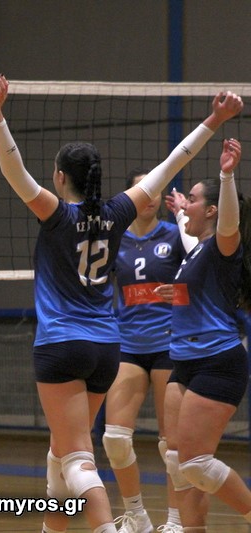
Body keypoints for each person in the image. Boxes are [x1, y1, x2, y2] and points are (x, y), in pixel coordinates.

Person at [0, 74, 242, 533]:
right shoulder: (119, 211)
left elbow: (12, 171)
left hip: (62, 344)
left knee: (78, 459)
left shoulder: (56, 214)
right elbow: (174, 160)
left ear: (60, 177)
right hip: (107, 348)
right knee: (61, 451)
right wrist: (214, 120)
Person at [158, 138, 251, 531]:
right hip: (184, 361)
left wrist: (226, 175)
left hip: (217, 361)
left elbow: (227, 223)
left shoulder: (222, 246)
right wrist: (182, 209)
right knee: (175, 458)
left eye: (193, 200)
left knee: (196, 463)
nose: (186, 207)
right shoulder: (196, 251)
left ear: (212, 210)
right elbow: (190, 234)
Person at [104, 169, 196, 533]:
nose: (151, 195)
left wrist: (181, 295)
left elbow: (201, 277)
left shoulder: (174, 236)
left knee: (171, 446)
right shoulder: (115, 239)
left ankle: (174, 521)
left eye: (156, 189)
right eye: (144, 189)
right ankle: (137, 516)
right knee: (114, 439)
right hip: (128, 344)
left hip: (168, 345)